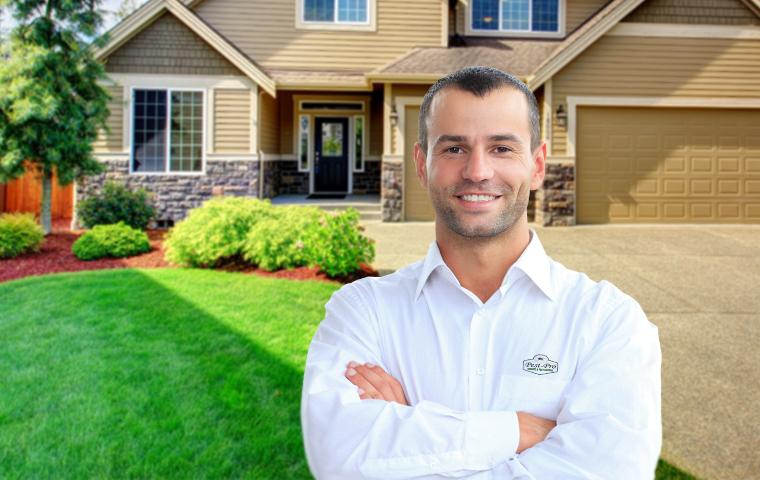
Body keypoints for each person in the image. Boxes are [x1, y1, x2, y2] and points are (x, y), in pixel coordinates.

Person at [300, 66, 662, 479]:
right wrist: (517, 432)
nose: (477, 171)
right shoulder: (362, 311)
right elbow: (338, 458)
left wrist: (410, 433)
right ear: (422, 164)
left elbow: (610, 471)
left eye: (502, 149)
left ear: (538, 165)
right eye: (454, 148)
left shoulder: (608, 321)